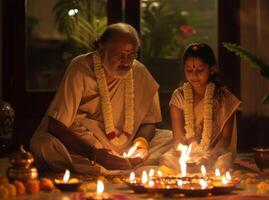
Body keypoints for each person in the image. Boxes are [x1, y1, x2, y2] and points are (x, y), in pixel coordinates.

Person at [30, 23, 172, 175]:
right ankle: (111, 165)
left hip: (128, 141)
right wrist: (95, 154)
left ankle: (118, 165)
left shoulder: (139, 72)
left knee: (170, 139)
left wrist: (141, 143)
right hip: (88, 140)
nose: (126, 62)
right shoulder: (80, 68)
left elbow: (149, 122)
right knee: (45, 145)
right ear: (101, 49)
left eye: (132, 55)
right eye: (119, 55)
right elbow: (56, 125)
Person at [160, 43, 241, 171]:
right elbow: (179, 137)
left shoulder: (223, 97)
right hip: (188, 153)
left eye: (200, 70)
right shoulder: (179, 96)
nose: (194, 75)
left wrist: (209, 157)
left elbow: (225, 139)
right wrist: (187, 155)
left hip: (216, 152)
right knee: (166, 159)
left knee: (222, 163)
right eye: (189, 70)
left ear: (212, 69)